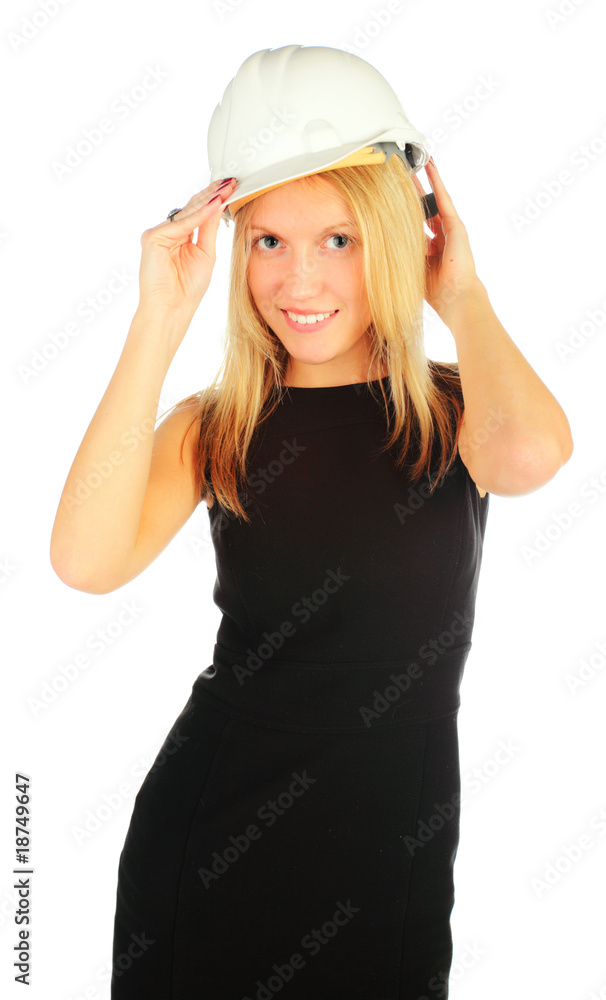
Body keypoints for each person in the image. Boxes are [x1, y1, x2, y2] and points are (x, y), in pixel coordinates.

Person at [50, 44, 573, 1000]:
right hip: (212, 842)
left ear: (400, 233)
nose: (300, 281)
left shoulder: (456, 410)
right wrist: (158, 319)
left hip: (392, 858)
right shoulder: (217, 424)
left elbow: (532, 457)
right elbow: (85, 561)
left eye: (339, 239)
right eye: (268, 242)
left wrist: (461, 294)